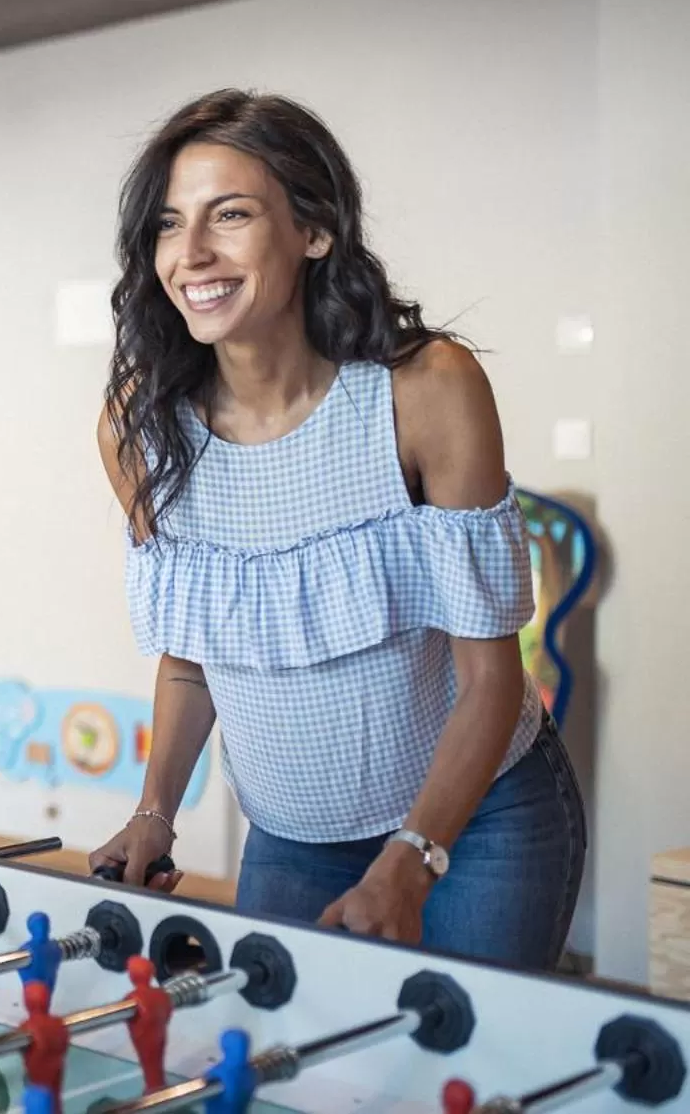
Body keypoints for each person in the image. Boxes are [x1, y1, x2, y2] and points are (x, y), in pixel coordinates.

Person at [88, 89, 587, 970]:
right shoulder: (141, 428)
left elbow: (490, 676)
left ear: (313, 229)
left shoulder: (425, 391)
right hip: (290, 838)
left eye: (230, 214)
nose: (191, 252)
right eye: (168, 224)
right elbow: (193, 655)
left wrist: (413, 857)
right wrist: (154, 813)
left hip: (481, 823)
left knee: (468, 1057)